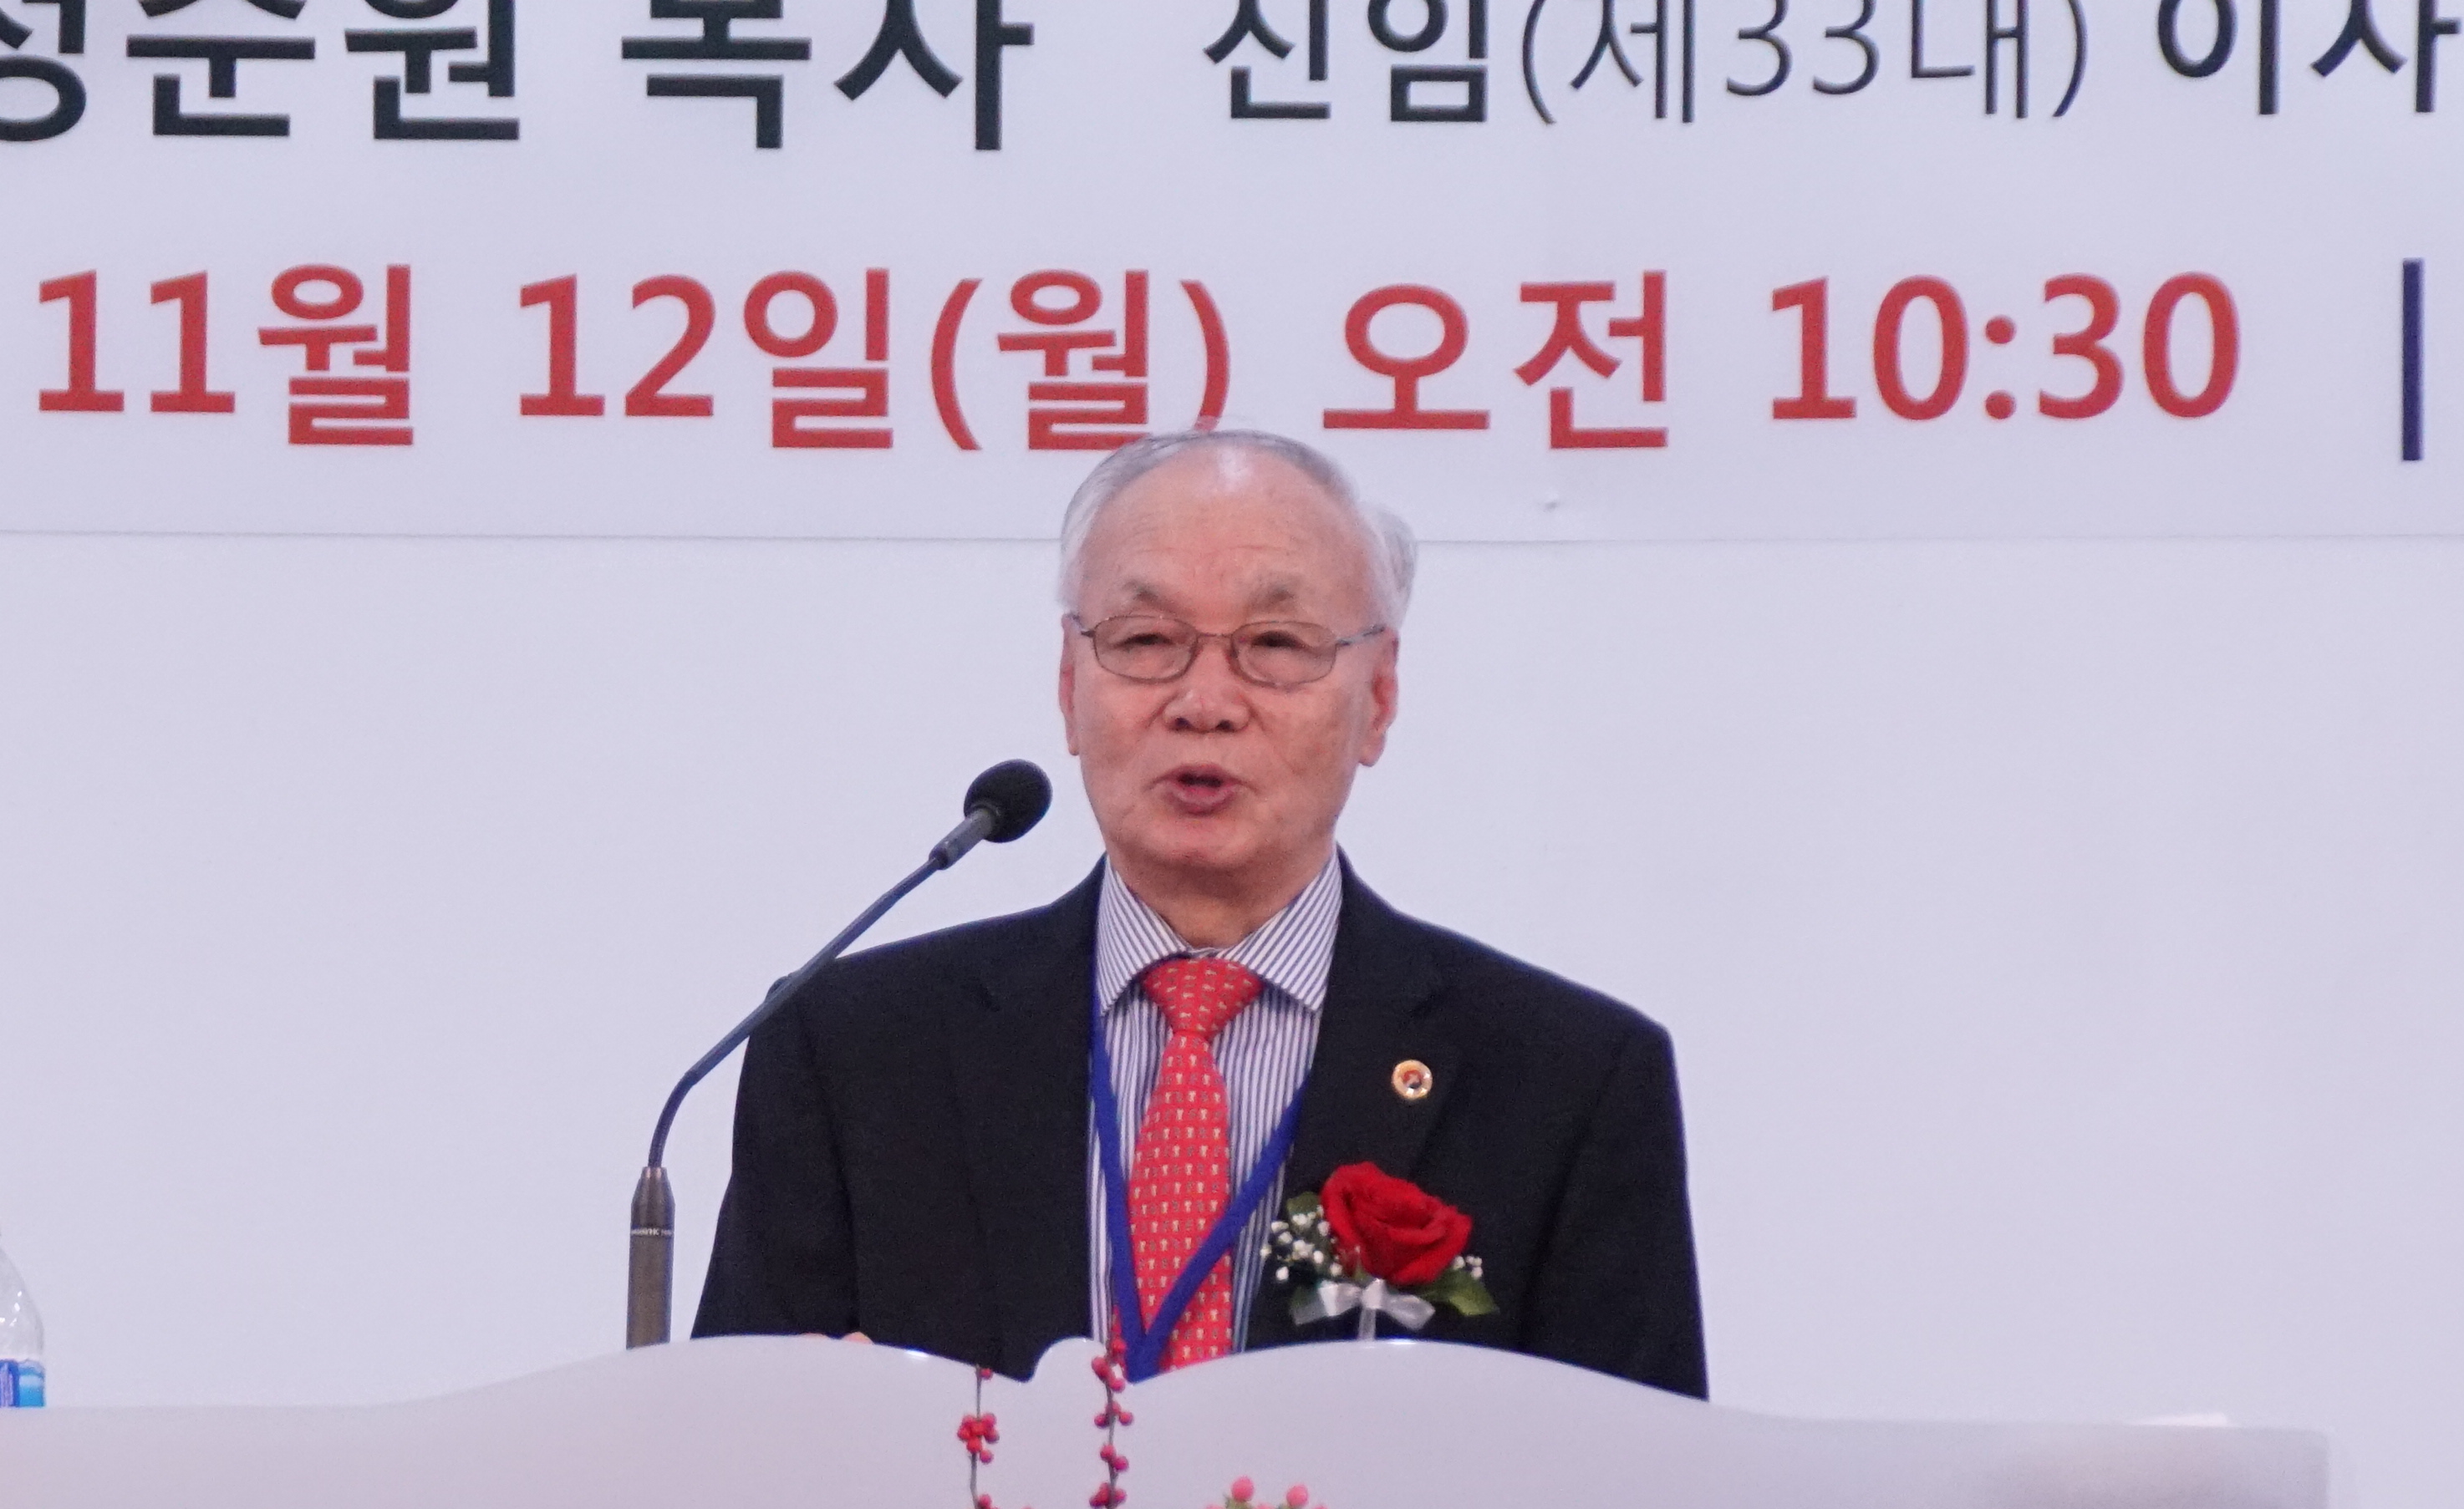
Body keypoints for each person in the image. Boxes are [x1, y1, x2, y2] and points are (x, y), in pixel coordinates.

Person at [694, 429, 1707, 1391]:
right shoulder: (853, 1052)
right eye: (1146, 640)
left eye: (1276, 642)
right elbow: (736, 1465)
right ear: (1069, 684)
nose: (1205, 701)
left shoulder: (1566, 1084)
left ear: (1380, 697)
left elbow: (1640, 1497)